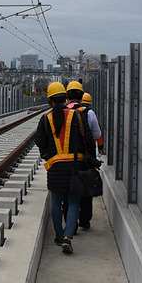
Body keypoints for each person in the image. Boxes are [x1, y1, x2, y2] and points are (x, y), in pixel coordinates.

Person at [35, 81, 96, 254]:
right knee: (74, 201)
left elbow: (40, 142)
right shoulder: (77, 115)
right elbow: (89, 139)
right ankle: (68, 237)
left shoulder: (45, 119)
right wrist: (91, 158)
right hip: (75, 166)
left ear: (49, 101)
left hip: (55, 167)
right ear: (66, 97)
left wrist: (48, 155)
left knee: (56, 200)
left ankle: (59, 235)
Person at [64, 82, 102, 231]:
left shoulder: (62, 111)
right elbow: (97, 135)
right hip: (85, 158)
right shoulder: (89, 113)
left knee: (68, 191)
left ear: (67, 96)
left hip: (66, 156)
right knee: (86, 189)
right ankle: (84, 220)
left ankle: (69, 224)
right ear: (81, 96)